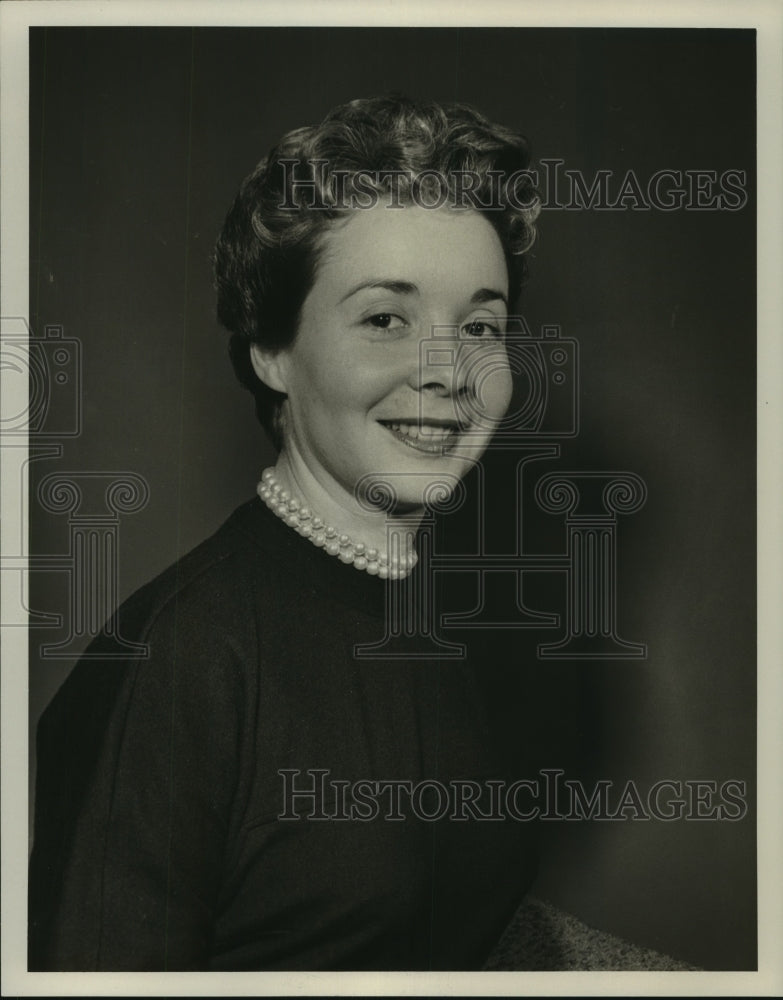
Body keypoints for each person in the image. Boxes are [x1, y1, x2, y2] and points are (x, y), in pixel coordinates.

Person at [28, 94, 543, 971]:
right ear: (271, 349)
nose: (448, 372)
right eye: (386, 319)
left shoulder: (442, 624)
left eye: (480, 327)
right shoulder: (177, 658)